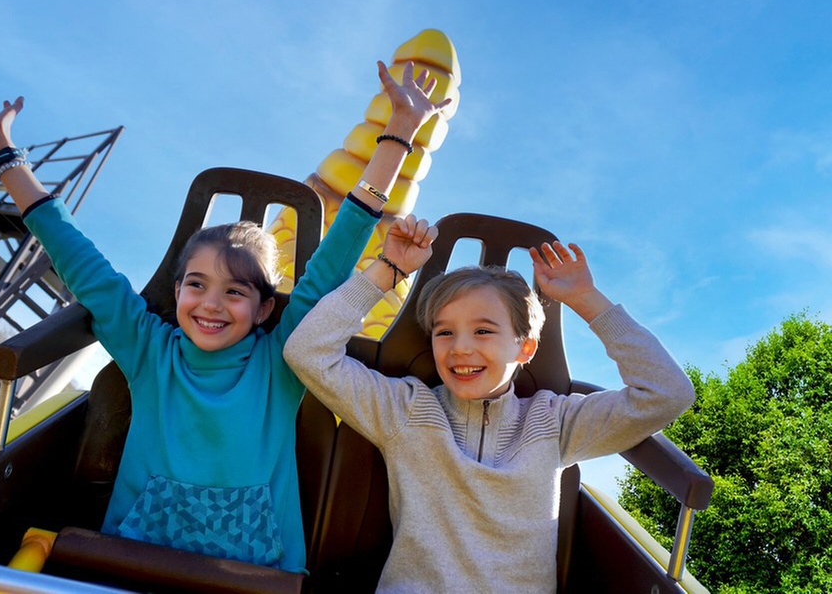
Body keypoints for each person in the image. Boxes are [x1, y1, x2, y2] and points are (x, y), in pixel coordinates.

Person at [0, 61, 451, 573]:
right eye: (196, 285)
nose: (212, 304)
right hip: (133, 566)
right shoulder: (149, 350)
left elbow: (337, 255)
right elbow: (80, 261)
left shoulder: (283, 360)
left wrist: (399, 132)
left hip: (251, 582)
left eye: (235, 291)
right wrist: (6, 160)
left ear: (266, 307)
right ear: (177, 292)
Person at [283, 217, 696, 591]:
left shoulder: (555, 422)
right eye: (444, 333)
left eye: (483, 331)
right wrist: (385, 272)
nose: (460, 348)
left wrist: (586, 299)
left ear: (525, 348)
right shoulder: (405, 409)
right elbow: (308, 351)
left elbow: (667, 394)